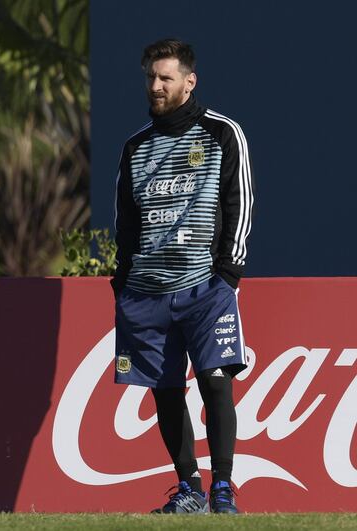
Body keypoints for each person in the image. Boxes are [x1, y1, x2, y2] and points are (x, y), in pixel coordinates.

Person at [111, 38, 254, 514]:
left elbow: (239, 202)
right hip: (146, 293)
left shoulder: (222, 133)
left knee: (216, 382)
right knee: (166, 392)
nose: (155, 86)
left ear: (189, 82)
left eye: (165, 78)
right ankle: (189, 488)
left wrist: (229, 273)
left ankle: (223, 489)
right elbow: (125, 222)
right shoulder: (135, 148)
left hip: (205, 289)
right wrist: (123, 280)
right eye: (150, 77)